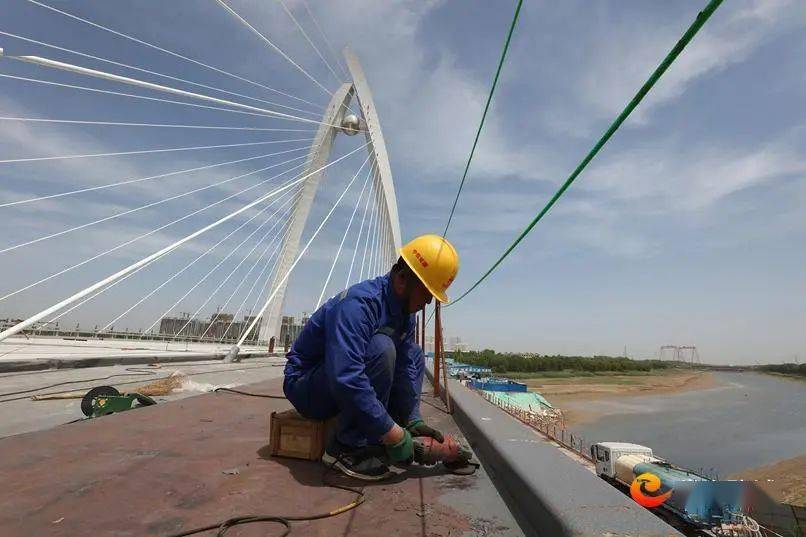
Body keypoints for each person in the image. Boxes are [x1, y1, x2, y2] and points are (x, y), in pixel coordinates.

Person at [283, 234, 460, 480]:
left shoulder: (404, 312)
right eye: (426, 292)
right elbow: (346, 374)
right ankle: (347, 447)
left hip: (335, 381)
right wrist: (393, 435)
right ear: (401, 279)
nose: (428, 301)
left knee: (413, 353)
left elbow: (407, 365)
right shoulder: (359, 305)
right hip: (306, 386)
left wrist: (411, 419)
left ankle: (387, 426)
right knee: (381, 348)